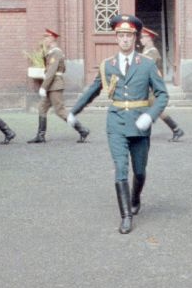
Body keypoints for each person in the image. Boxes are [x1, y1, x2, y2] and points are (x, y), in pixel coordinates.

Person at [68, 14, 169, 233]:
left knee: (140, 171)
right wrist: (74, 111)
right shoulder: (107, 66)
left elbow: (162, 95)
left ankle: (135, 197)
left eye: (129, 35)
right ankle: (126, 216)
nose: (125, 39)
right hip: (116, 124)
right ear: (116, 38)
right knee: (121, 168)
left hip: (140, 125)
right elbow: (93, 91)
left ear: (135, 38)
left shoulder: (147, 64)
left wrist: (150, 115)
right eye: (121, 35)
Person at [27, 29, 89, 143]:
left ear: (51, 39)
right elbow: (62, 68)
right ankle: (40, 135)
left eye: (46, 38)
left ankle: (82, 130)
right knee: (42, 108)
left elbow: (51, 71)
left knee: (60, 111)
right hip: (52, 84)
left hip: (54, 85)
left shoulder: (56, 52)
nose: (44, 40)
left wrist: (43, 87)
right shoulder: (52, 52)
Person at [140, 27, 185, 140]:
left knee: (156, 109)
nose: (140, 39)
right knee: (147, 108)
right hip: (146, 86)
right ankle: (175, 129)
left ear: (149, 38)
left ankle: (176, 129)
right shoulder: (146, 51)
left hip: (151, 87)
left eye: (142, 37)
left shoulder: (152, 52)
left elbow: (146, 69)